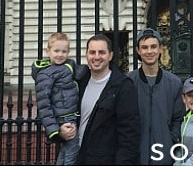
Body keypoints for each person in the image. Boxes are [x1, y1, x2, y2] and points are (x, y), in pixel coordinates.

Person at [75, 32, 140, 166]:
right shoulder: (80, 81)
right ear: (86, 55)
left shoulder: (123, 86)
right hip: (77, 158)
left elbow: (129, 134)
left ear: (110, 55)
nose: (96, 57)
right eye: (92, 52)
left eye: (102, 52)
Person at [129, 26, 184, 165]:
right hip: (135, 157)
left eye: (153, 46)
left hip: (164, 157)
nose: (149, 51)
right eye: (145, 47)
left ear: (160, 49)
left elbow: (178, 118)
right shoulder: (129, 82)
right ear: (138, 50)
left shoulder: (174, 83)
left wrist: (170, 139)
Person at [32, 32, 82, 165]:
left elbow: (78, 72)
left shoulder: (66, 66)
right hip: (65, 118)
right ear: (48, 51)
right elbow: (44, 104)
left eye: (64, 51)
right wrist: (54, 129)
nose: (60, 54)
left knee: (66, 151)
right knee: (73, 153)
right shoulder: (45, 73)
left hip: (71, 114)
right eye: (56, 51)